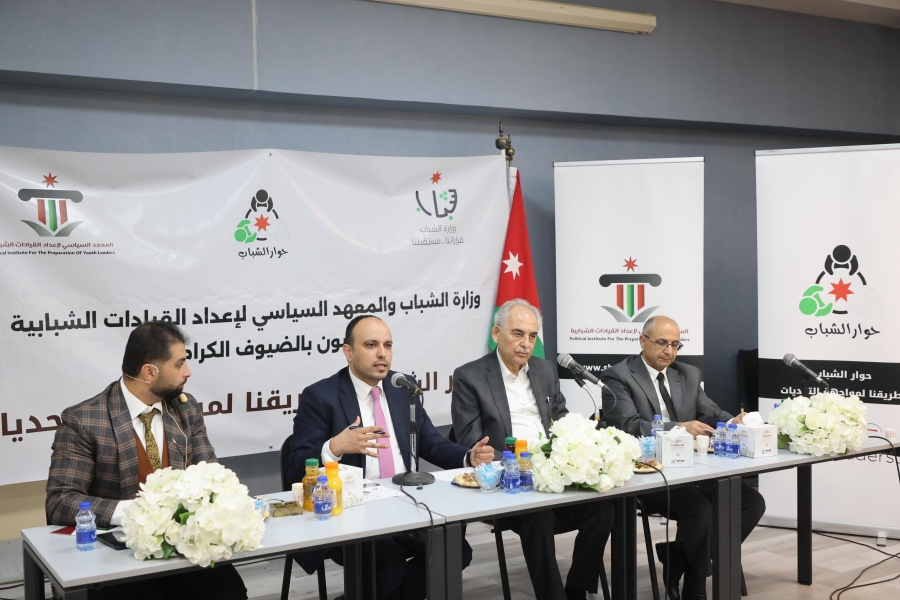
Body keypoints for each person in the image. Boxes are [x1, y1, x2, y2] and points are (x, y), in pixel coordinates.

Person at [287, 315, 494, 600]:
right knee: (389, 563)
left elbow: (427, 441)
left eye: (387, 345)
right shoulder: (321, 396)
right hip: (352, 512)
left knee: (455, 552)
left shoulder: (402, 387)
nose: (382, 353)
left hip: (406, 503)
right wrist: (334, 447)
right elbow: (296, 465)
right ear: (348, 352)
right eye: (371, 345)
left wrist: (469, 456)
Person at [45, 321, 247, 600]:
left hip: (182, 548)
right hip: (117, 555)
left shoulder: (186, 408)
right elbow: (60, 501)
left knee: (230, 593)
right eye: (179, 364)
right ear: (149, 372)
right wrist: (139, 513)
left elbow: (212, 476)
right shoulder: (84, 420)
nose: (188, 372)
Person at [452, 299, 615, 600]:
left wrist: (577, 447)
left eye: (532, 335)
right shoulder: (470, 376)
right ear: (497, 333)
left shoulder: (545, 370)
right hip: (513, 481)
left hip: (554, 473)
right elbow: (470, 442)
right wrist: (520, 465)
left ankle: (577, 588)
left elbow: (561, 420)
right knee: (539, 517)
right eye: (518, 334)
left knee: (603, 508)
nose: (526, 343)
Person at [601, 315, 766, 600]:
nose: (669, 351)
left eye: (675, 344)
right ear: (642, 341)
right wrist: (678, 427)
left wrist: (733, 421)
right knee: (700, 510)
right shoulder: (618, 376)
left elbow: (710, 412)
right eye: (662, 343)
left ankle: (678, 556)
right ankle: (695, 587)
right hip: (650, 470)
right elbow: (628, 426)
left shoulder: (688, 373)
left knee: (751, 502)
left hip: (693, 467)